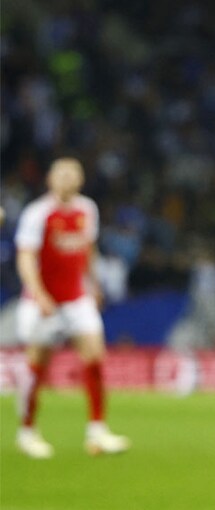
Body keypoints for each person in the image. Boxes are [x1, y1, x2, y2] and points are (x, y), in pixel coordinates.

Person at [13, 157, 131, 459]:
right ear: (50, 179)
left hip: (77, 298)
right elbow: (26, 259)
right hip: (44, 302)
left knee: (95, 357)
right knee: (38, 365)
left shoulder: (87, 209)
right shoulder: (37, 213)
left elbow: (87, 250)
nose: (66, 178)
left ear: (80, 179)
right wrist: (39, 295)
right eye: (61, 173)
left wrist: (94, 283)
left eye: (72, 173)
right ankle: (27, 431)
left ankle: (97, 431)